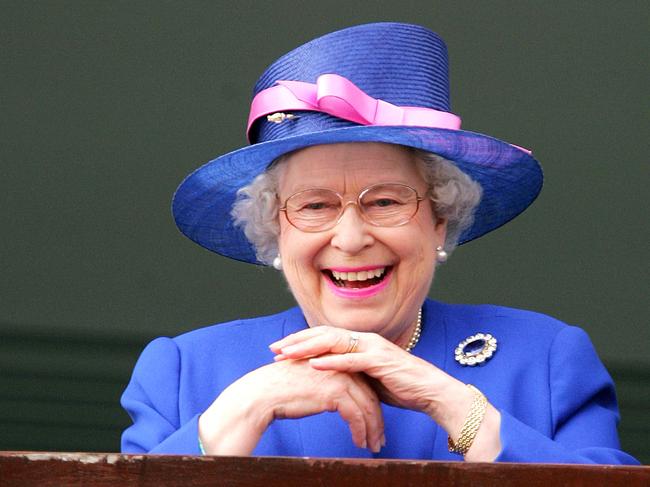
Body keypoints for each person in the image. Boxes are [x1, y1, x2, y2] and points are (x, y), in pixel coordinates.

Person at [121, 22, 638, 464]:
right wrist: (239, 414)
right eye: (314, 206)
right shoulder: (184, 371)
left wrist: (455, 405)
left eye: (386, 202)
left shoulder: (546, 359)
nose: (349, 238)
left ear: (440, 220)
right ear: (274, 229)